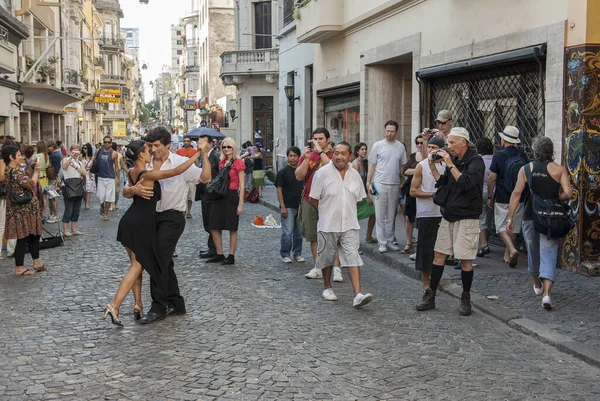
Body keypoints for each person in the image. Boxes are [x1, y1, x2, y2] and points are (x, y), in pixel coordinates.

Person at [104, 140, 206, 326]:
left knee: (137, 266)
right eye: (147, 148)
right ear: (141, 155)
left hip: (131, 221)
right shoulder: (147, 173)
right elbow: (175, 171)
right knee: (137, 267)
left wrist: (132, 189)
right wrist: (197, 155)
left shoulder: (134, 171)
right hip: (140, 223)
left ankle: (138, 304)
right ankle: (114, 305)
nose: (150, 150)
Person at [506, 136, 572, 310]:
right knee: (549, 253)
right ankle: (547, 295)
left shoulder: (526, 169)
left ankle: (537, 284)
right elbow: (568, 193)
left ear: (534, 151)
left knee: (533, 251)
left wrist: (510, 218)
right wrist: (558, 198)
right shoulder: (559, 169)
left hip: (531, 215)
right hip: (552, 216)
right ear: (551, 151)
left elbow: (516, 194)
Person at [428, 127, 485, 316]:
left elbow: (465, 183)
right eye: (448, 143)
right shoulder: (454, 160)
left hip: (467, 216)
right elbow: (443, 183)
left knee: (466, 259)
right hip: (449, 214)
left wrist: (449, 163)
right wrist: (432, 165)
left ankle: (466, 297)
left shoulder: (475, 161)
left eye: (452, 143)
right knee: (438, 256)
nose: (449, 146)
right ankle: (430, 295)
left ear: (464, 142)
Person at [309, 141, 373, 308]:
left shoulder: (355, 175)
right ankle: (327, 287)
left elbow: (359, 200)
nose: (339, 156)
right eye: (336, 153)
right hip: (328, 223)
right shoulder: (322, 173)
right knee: (327, 257)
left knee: (353, 257)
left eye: (343, 153)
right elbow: (313, 199)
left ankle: (358, 294)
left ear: (350, 156)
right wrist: (326, 211)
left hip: (350, 224)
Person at [295, 128, 341, 281]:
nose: (317, 141)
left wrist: (321, 152)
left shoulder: (335, 154)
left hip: (329, 200)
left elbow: (333, 170)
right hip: (310, 198)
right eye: (315, 138)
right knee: (313, 235)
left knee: (331, 235)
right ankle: (318, 266)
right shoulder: (308, 155)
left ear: (327, 140)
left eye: (320, 138)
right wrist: (307, 158)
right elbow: (299, 176)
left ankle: (336, 268)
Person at [410, 136, 447, 310]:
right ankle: (426, 284)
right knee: (425, 249)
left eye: (434, 147)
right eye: (429, 147)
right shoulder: (421, 165)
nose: (431, 150)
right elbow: (413, 190)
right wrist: (431, 195)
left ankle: (435, 282)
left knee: (440, 251)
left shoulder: (448, 165)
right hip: (426, 213)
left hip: (443, 213)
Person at [2, 144, 46, 276]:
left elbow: (26, 178)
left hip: (25, 208)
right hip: (22, 209)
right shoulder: (14, 171)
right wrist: (37, 172)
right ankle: (19, 267)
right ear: (11, 157)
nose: (20, 157)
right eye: (18, 155)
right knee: (23, 237)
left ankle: (36, 262)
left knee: (33, 234)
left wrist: (32, 169)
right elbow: (30, 184)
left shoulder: (14, 170)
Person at [488, 126, 527, 267]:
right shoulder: (522, 155)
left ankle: (511, 249)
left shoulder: (498, 155)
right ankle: (507, 255)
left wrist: (489, 196)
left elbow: (492, 178)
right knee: (513, 226)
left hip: (502, 196)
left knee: (500, 226)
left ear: (504, 139)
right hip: (519, 196)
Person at [366, 120, 408, 253]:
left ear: (396, 132)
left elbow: (402, 166)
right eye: (387, 131)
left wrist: (403, 180)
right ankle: (381, 242)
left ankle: (390, 240)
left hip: (394, 183)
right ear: (384, 130)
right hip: (379, 183)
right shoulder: (377, 145)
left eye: (392, 131)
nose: (389, 134)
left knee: (391, 214)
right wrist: (368, 182)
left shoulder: (400, 146)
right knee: (380, 213)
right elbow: (371, 165)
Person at [206, 138, 245, 265]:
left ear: (234, 148)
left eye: (229, 147)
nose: (226, 149)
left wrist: (240, 204)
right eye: (224, 147)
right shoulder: (222, 162)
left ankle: (231, 255)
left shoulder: (238, 162)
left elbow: (242, 185)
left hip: (232, 195)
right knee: (214, 225)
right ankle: (220, 253)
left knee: (232, 227)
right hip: (220, 195)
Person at [275, 146, 304, 263]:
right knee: (287, 232)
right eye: (290, 156)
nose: (292, 158)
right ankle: (285, 254)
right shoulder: (283, 173)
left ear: (298, 157)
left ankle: (297, 253)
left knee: (299, 233)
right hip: (287, 206)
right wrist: (282, 206)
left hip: (300, 207)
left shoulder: (302, 172)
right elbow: (279, 190)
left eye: (295, 156)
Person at [197, 135, 221, 259]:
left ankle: (215, 249)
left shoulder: (213, 157)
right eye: (199, 141)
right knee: (208, 222)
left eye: (203, 141)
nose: (200, 143)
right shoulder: (203, 156)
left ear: (211, 144)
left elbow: (214, 175)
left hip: (211, 194)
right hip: (205, 194)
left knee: (212, 223)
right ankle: (212, 248)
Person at [400, 135, 424, 254]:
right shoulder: (413, 156)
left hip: (423, 190)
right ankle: (409, 243)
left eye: (422, 143)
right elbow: (405, 170)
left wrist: (413, 171)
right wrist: (418, 170)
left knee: (421, 217)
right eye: (417, 143)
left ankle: (420, 244)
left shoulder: (428, 156)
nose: (419, 145)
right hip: (411, 190)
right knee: (408, 216)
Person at [352, 142, 376, 243]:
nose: (364, 151)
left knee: (374, 212)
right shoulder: (355, 164)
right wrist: (366, 197)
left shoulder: (365, 163)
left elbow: (369, 178)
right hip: (356, 195)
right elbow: (356, 183)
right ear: (357, 151)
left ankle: (368, 236)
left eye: (365, 149)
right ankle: (353, 241)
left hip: (363, 193)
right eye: (362, 149)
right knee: (353, 218)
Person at [60, 145, 87, 236]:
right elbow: (64, 167)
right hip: (68, 186)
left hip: (78, 185)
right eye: (74, 151)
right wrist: (71, 157)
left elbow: (84, 173)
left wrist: (76, 167)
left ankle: (74, 228)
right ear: (70, 151)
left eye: (77, 152)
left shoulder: (79, 162)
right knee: (69, 208)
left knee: (76, 209)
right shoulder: (65, 159)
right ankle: (65, 229)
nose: (76, 154)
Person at [476, 137, 494, 257]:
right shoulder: (495, 159)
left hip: (481, 191)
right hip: (493, 192)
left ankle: (484, 244)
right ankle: (486, 241)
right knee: (488, 218)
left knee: (481, 219)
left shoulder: (478, 160)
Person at [95, 136, 119, 221]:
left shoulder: (114, 153)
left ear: (111, 143)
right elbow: (94, 161)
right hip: (100, 177)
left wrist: (118, 178)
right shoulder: (98, 151)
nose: (107, 144)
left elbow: (116, 167)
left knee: (109, 196)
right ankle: (102, 205)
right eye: (105, 142)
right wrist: (90, 170)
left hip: (110, 177)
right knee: (100, 196)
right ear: (103, 143)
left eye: (109, 142)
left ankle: (105, 214)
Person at [176, 135, 197, 218]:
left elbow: (197, 163)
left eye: (188, 141)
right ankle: (182, 209)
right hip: (181, 175)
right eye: (185, 141)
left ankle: (189, 211)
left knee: (190, 194)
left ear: (190, 142)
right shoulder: (179, 152)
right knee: (181, 194)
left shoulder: (194, 151)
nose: (186, 142)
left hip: (191, 175)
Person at [47, 140, 63, 223]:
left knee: (52, 197)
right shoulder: (58, 153)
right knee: (52, 197)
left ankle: (55, 215)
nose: (47, 148)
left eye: (48, 147)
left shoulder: (53, 155)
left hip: (53, 177)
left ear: (53, 146)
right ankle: (53, 214)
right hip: (55, 177)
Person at [34, 140, 50, 222]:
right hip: (45, 177)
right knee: (44, 197)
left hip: (39, 176)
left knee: (37, 196)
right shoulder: (47, 156)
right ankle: (43, 215)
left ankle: (38, 214)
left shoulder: (37, 155)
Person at [111, 142, 127, 211]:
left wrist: (128, 172)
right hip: (109, 174)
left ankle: (116, 202)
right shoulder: (107, 155)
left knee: (117, 190)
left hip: (118, 173)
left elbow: (123, 165)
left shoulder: (119, 155)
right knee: (110, 190)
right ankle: (111, 204)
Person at [81, 143, 96, 209]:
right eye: (83, 148)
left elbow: (93, 166)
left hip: (89, 174)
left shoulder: (92, 157)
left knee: (89, 190)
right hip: (82, 174)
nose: (84, 149)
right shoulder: (81, 157)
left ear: (88, 149)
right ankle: (85, 200)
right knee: (84, 190)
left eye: (86, 148)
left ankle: (87, 203)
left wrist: (90, 169)